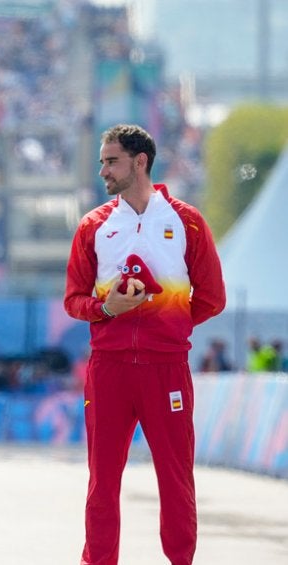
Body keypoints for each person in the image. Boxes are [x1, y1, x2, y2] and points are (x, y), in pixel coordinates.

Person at [63, 124, 226, 565]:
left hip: (166, 369)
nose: (103, 171)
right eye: (101, 161)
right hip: (110, 369)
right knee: (102, 483)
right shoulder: (93, 226)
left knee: (176, 481)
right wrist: (107, 309)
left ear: (140, 162)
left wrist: (166, 327)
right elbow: (73, 300)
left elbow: (213, 298)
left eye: (111, 161)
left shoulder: (187, 221)